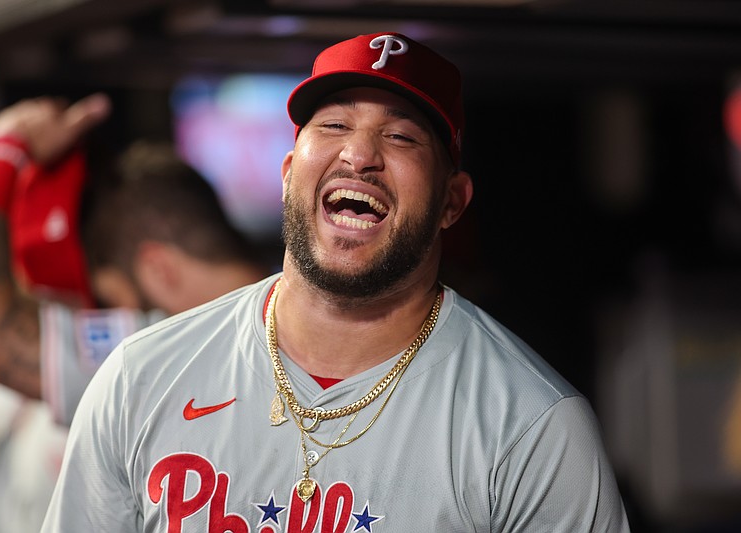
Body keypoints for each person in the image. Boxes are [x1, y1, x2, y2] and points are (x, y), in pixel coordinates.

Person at [42, 32, 630, 532]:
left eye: (401, 137)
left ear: (452, 202)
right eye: (334, 124)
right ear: (288, 172)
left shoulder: (531, 425)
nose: (359, 153)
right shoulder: (140, 377)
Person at [0, 95, 270, 533]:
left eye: (109, 298)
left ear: (159, 269)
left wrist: (1, 147)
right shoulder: (327, 322)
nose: (108, 316)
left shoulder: (172, 351)